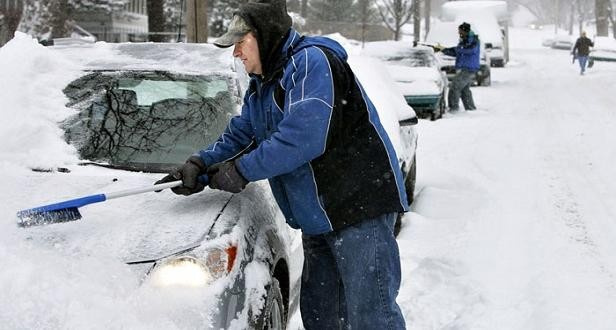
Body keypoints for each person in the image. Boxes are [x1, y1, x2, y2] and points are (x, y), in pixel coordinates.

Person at [155, 0, 408, 328]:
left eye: (241, 43)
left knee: (371, 315)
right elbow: (243, 134)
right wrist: (199, 164)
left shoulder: (311, 63)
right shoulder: (263, 84)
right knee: (322, 315)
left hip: (358, 207)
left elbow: (302, 136)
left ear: (266, 36)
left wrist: (241, 171)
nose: (235, 53)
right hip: (319, 216)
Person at [434, 22, 480, 111]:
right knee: (464, 90)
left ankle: (453, 109)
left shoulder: (473, 40)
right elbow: (457, 52)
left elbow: (469, 50)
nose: (459, 33)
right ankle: (470, 109)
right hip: (464, 68)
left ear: (465, 31)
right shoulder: (464, 41)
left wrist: (457, 49)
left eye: (460, 31)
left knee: (455, 87)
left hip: (468, 69)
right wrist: (443, 50)